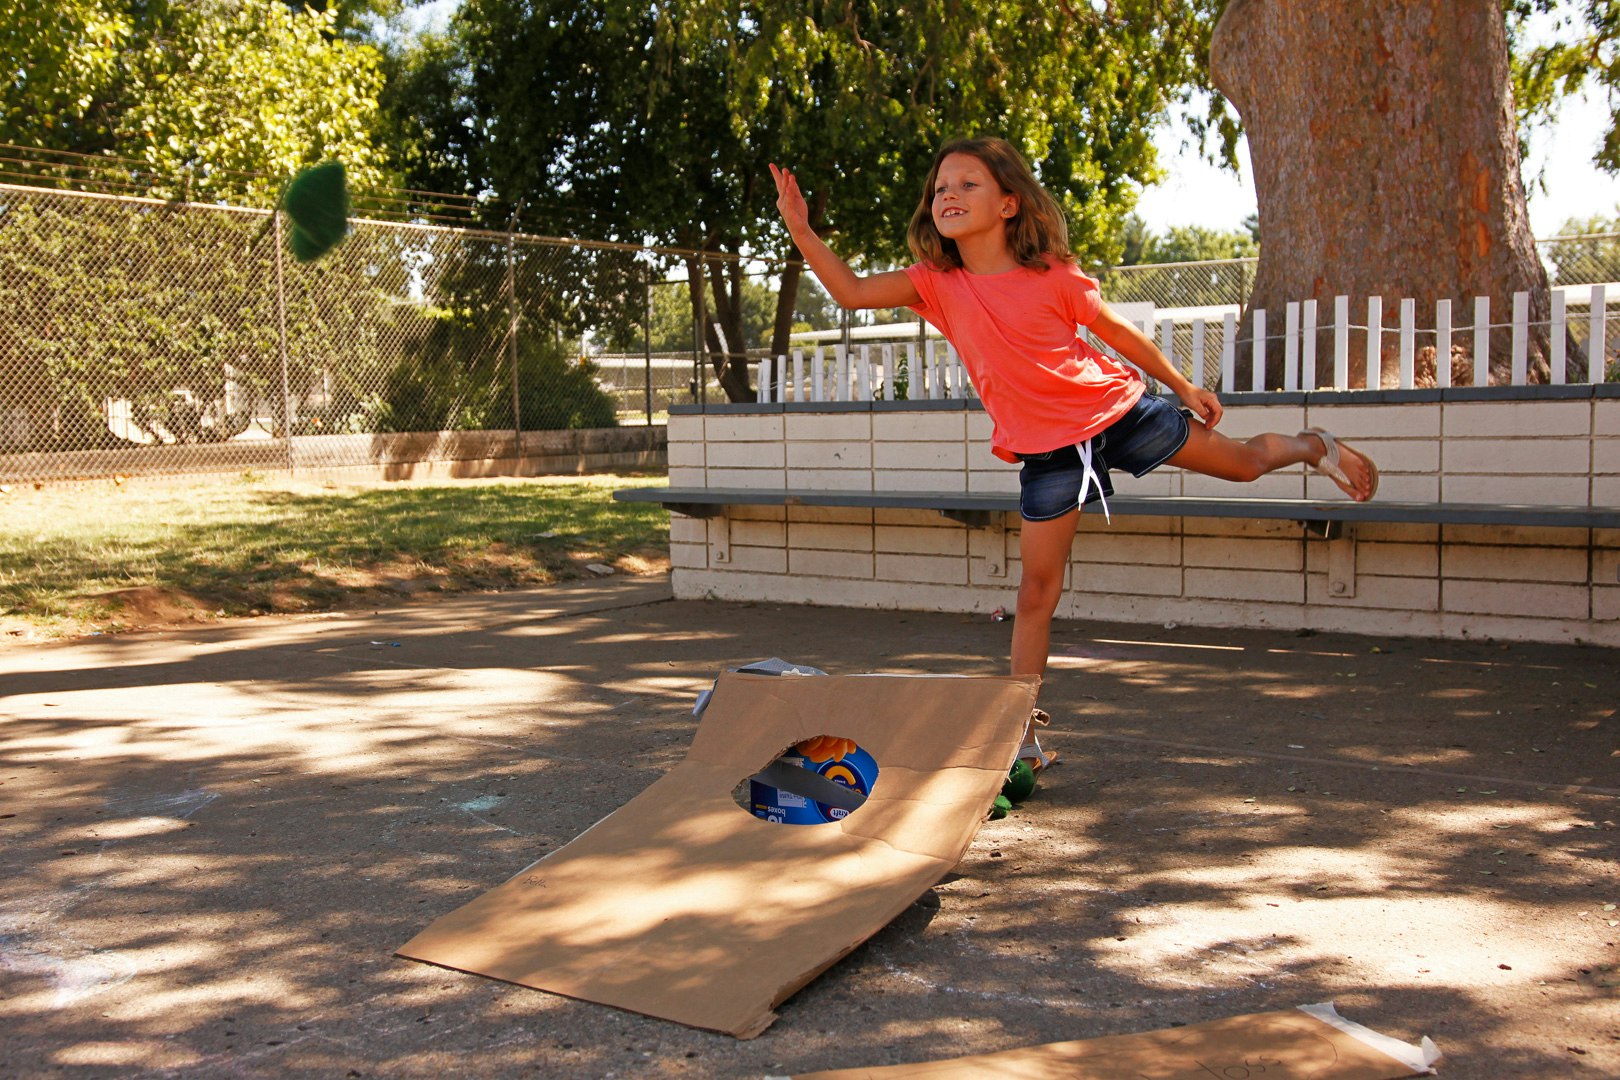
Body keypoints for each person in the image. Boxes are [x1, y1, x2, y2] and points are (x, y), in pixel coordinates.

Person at [771, 137, 1378, 771]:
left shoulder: (1051, 276)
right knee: (1036, 594)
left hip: (1119, 414)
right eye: (940, 187)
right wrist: (802, 230)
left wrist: (1183, 385)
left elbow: (1115, 332)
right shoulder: (936, 283)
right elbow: (849, 291)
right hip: (1050, 453)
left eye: (966, 184)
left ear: (1008, 204)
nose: (947, 194)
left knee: (1246, 463)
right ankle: (1022, 737)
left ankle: (1313, 445)